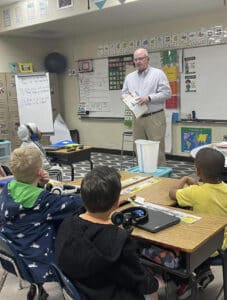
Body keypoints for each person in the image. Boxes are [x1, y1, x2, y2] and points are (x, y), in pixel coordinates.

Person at [55, 166, 159, 300]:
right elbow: (141, 280)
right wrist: (154, 283)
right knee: (155, 283)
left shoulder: (67, 223)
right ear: (116, 204)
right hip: (111, 294)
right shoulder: (118, 241)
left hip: (83, 290)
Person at [0, 147, 82, 299]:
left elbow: (31, 200)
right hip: (39, 260)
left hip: (18, 252)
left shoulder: (7, 189)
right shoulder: (43, 200)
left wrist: (40, 183)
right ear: (40, 171)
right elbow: (78, 203)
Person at [169, 147, 227, 299]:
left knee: (175, 245)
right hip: (223, 243)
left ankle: (185, 282)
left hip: (205, 248)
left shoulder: (195, 192)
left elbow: (172, 193)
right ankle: (203, 271)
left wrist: (184, 179)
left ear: (198, 171)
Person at [122, 48, 172, 166]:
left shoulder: (158, 74)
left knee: (157, 149)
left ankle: (161, 180)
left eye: (141, 59)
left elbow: (167, 93)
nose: (138, 62)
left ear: (147, 59)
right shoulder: (130, 77)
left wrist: (148, 98)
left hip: (154, 117)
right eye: (136, 59)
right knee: (139, 148)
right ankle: (144, 177)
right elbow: (124, 93)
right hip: (137, 116)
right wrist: (128, 98)